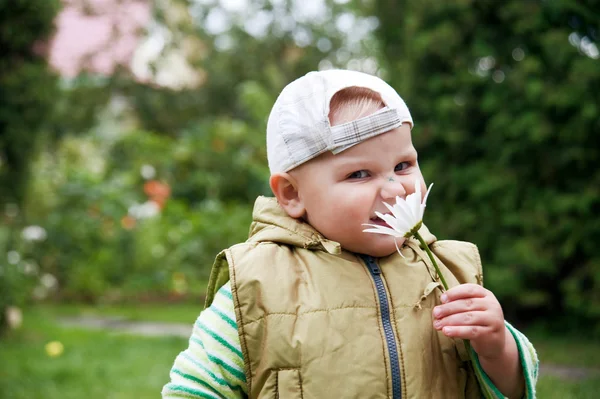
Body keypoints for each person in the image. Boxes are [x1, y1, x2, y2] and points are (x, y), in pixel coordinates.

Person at [162, 69, 538, 398]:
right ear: (292, 194)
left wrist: (496, 347)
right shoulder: (257, 287)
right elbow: (194, 390)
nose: (394, 189)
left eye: (403, 165)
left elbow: (513, 387)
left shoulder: (449, 273)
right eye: (359, 174)